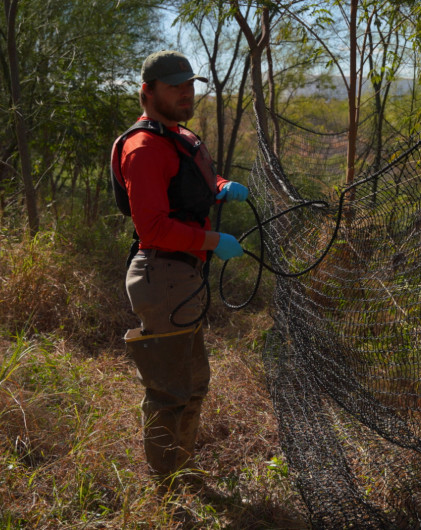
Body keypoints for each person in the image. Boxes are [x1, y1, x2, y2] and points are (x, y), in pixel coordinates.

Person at [110, 50, 248, 489]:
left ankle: (180, 472)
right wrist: (213, 242)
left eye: (190, 85)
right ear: (147, 92)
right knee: (171, 392)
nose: (186, 94)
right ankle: (166, 488)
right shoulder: (144, 147)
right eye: (175, 87)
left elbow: (195, 183)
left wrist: (223, 187)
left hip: (181, 277)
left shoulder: (176, 136)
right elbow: (151, 227)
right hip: (163, 275)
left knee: (193, 383)